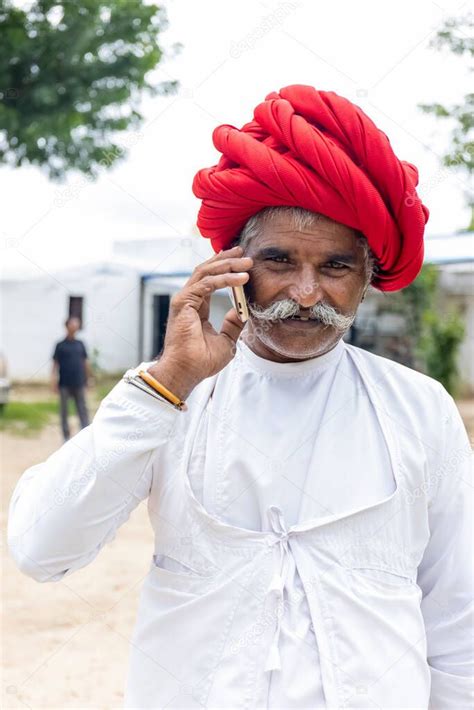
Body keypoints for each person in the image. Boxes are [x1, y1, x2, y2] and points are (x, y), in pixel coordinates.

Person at [8, 86, 473, 709]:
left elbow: (457, 623)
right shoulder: (169, 396)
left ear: (367, 278)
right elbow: (42, 549)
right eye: (279, 260)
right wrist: (167, 386)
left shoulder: (420, 409)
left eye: (335, 267)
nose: (306, 293)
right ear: (232, 266)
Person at [51, 316, 91, 441]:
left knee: (82, 409)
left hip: (79, 382)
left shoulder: (81, 344)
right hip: (64, 384)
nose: (75, 326)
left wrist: (89, 378)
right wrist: (53, 382)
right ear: (67, 326)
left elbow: (85, 363)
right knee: (64, 411)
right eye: (73, 324)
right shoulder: (60, 345)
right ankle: (66, 436)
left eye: (77, 324)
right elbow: (55, 364)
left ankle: (86, 434)